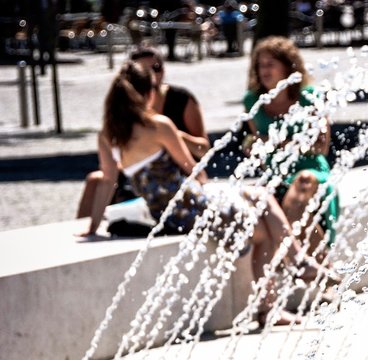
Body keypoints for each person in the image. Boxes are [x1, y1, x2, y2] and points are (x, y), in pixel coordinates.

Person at [81, 61, 336, 325]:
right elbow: (192, 168)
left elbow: (107, 181)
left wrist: (92, 227)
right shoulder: (158, 126)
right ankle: (280, 291)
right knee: (265, 228)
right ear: (149, 93)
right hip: (192, 207)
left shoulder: (108, 135)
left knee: (259, 196)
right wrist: (200, 172)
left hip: (167, 213)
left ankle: (294, 269)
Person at [76, 47, 209, 220]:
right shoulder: (157, 125)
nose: (154, 74)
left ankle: (87, 228)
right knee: (95, 180)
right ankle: (84, 227)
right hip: (163, 197)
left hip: (157, 191)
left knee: (103, 181)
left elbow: (201, 152)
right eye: (145, 70)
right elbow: (195, 171)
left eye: (156, 67)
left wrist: (178, 136)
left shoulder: (179, 101)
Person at [243, 36, 339, 256]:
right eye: (260, 65)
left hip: (311, 170)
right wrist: (252, 147)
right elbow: (257, 141)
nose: (264, 71)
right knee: (254, 203)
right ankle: (313, 267)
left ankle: (317, 265)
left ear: (287, 67)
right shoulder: (253, 101)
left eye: (270, 64)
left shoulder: (310, 97)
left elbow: (321, 146)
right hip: (276, 174)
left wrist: (277, 143)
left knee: (299, 188)